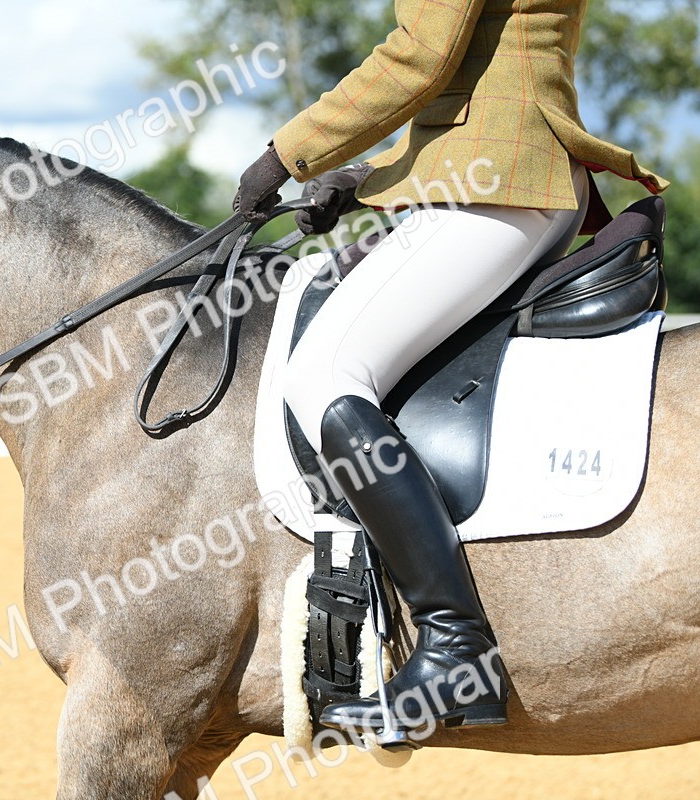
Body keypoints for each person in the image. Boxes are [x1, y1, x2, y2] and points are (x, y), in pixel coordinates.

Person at [234, 0, 666, 732]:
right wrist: (372, 177)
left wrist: (284, 155)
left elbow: (421, 53)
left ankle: (454, 649)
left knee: (325, 376)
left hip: (500, 185)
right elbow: (484, 71)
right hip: (499, 172)